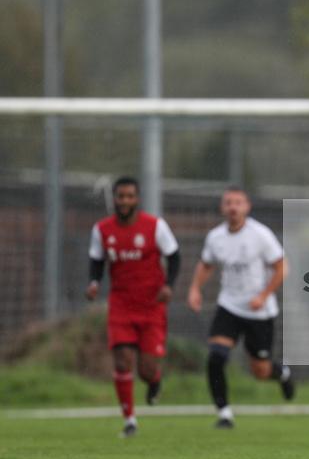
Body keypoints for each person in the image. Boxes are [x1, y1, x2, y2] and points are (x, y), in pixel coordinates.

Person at [187, 187, 294, 429]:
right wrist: (195, 289)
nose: (233, 207)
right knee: (216, 357)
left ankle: (282, 373)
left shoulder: (260, 235)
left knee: (260, 371)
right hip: (229, 306)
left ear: (247, 207)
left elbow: (282, 267)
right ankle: (224, 412)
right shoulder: (215, 237)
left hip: (260, 311)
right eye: (228, 203)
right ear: (222, 208)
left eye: (238, 202)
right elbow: (206, 265)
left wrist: (263, 295)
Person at [86, 176, 180, 438]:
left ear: (137, 199)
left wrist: (169, 285)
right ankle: (129, 420)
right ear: (114, 199)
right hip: (121, 305)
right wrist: (94, 282)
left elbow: (175, 257)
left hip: (152, 306)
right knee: (122, 360)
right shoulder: (102, 230)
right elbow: (96, 261)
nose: (125, 201)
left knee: (146, 369)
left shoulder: (155, 226)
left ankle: (155, 380)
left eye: (130, 196)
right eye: (120, 196)